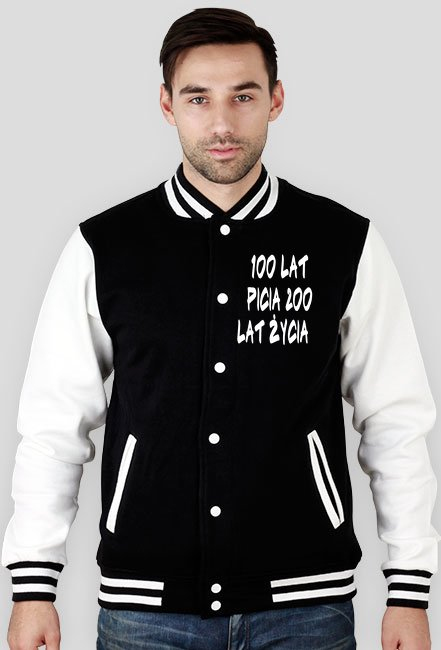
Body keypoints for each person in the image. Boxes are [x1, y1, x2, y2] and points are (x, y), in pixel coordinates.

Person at [2, 7, 439, 650]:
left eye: (244, 96)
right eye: (198, 98)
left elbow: (395, 422)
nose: (222, 124)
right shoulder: (106, 247)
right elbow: (53, 425)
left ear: (276, 100)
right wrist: (33, 586)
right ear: (167, 105)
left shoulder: (343, 243)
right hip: (146, 611)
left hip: (306, 609)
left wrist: (409, 590)